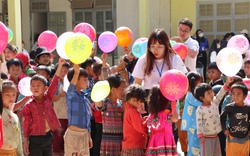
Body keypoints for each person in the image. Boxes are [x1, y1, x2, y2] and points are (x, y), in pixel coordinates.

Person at [21, 58, 65, 156]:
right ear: (30, 88)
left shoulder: (48, 98)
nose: (35, 87)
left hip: (48, 136)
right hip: (35, 138)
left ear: (45, 88)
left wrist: (60, 65)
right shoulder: (29, 105)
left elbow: (54, 82)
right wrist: (25, 140)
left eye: (38, 85)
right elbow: (26, 123)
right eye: (33, 85)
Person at [194, 79, 231, 156]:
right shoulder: (200, 109)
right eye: (208, 93)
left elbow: (220, 94)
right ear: (201, 97)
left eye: (211, 92)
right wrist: (201, 136)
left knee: (217, 154)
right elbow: (199, 123)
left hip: (216, 136)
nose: (212, 94)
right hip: (206, 138)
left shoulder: (214, 102)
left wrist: (227, 83)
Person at [64, 64, 92, 156]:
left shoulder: (84, 97)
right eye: (84, 79)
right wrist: (76, 73)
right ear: (76, 80)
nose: (87, 82)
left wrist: (89, 136)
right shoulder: (71, 95)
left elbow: (87, 119)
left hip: (84, 135)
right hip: (73, 135)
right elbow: (71, 89)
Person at [95, 74, 126, 156]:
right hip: (108, 142)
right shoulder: (105, 102)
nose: (124, 92)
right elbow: (98, 104)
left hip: (120, 140)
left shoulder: (121, 104)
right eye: (122, 89)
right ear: (113, 89)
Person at [145, 85, 178, 155]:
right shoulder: (166, 114)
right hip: (166, 142)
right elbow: (175, 118)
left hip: (154, 143)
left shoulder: (151, 116)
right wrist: (173, 104)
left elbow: (149, 131)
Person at [220, 82, 250, 156]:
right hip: (232, 137)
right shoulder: (229, 107)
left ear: (245, 95)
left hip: (245, 137)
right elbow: (222, 117)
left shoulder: (248, 108)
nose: (235, 96)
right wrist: (224, 129)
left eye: (238, 94)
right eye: (233, 94)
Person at [121, 84, 147, 156]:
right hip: (134, 147)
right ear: (134, 100)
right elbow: (141, 128)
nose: (141, 104)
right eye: (141, 101)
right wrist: (148, 121)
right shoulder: (133, 111)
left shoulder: (129, 109)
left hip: (130, 146)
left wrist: (144, 120)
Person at [181, 71, 203, 156]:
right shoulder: (190, 95)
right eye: (200, 81)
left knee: (196, 146)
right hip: (193, 126)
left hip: (195, 125)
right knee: (194, 146)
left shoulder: (191, 95)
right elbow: (201, 104)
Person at [0, 80, 23, 155]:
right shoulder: (1, 113)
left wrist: (20, 153)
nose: (11, 97)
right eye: (7, 94)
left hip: (13, 153)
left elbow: (18, 137)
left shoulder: (14, 116)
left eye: (13, 95)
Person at [52, 62, 70, 156]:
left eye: (66, 71)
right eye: (61, 71)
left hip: (69, 116)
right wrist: (60, 95)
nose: (63, 73)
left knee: (66, 138)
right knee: (57, 138)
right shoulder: (56, 84)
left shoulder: (71, 85)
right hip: (58, 115)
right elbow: (52, 98)